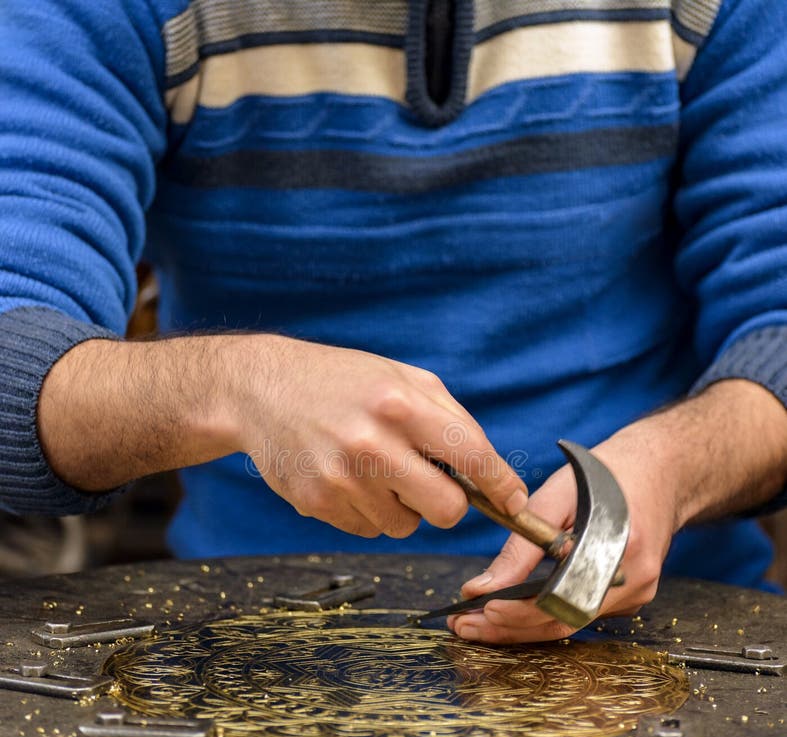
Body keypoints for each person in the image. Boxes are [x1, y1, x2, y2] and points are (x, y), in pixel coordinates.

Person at [0, 0, 785, 645]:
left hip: (676, 637)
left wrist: (674, 467)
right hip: (265, 645)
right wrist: (232, 387)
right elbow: (15, 349)